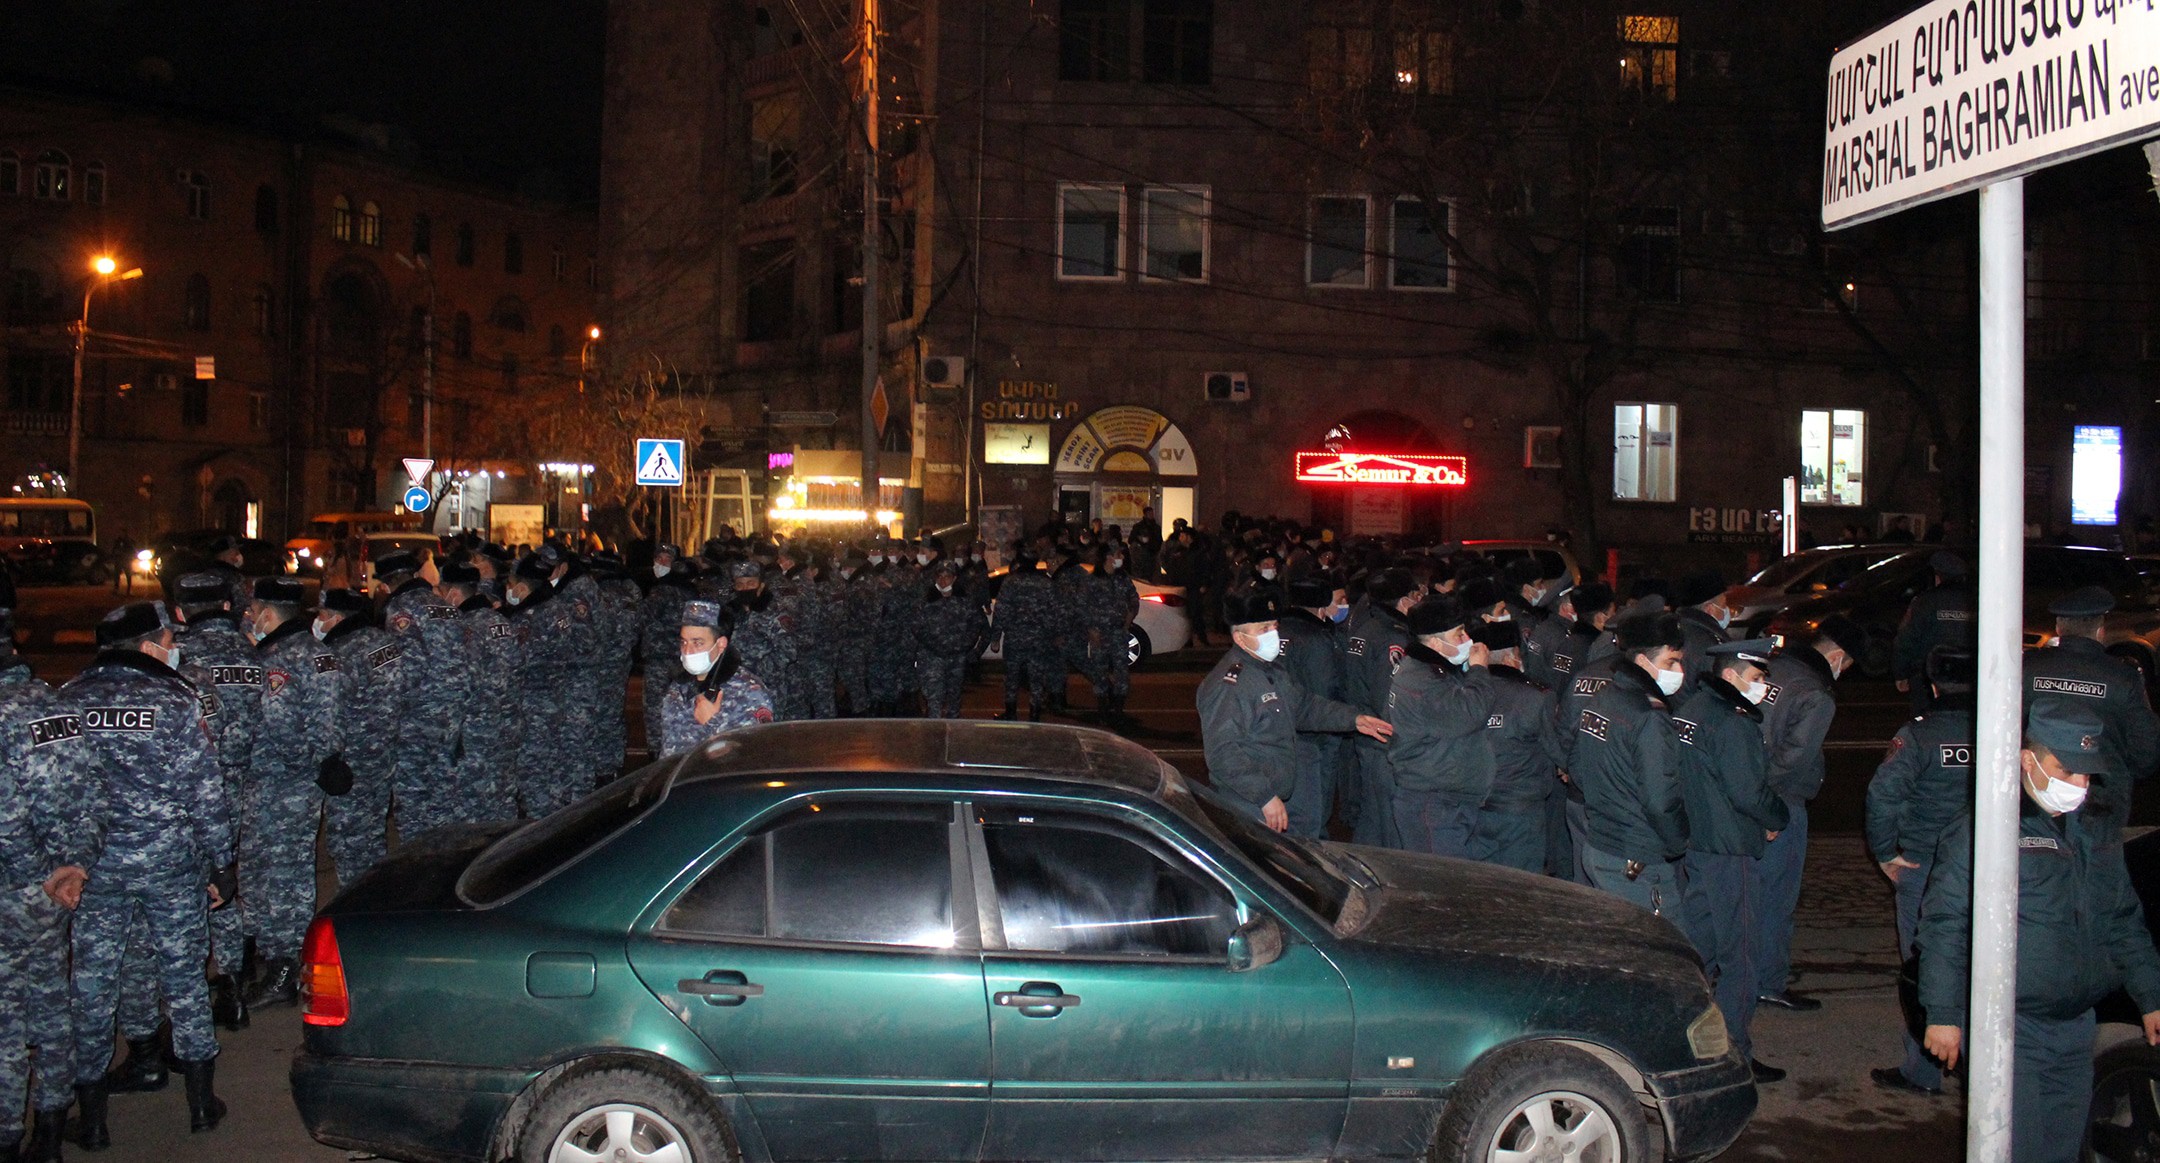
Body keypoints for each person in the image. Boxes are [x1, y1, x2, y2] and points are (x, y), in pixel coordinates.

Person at [1918, 700, 2160, 1163]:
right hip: (2011, 1028)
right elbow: (1946, 922)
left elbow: (2122, 917)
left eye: (2086, 773)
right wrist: (1943, 1013)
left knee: (2062, 1149)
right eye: (2066, 771)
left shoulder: (2095, 828)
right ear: (2028, 761)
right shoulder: (1987, 830)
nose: (2080, 785)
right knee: (2018, 1148)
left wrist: (2151, 994)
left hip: (2077, 1026)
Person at [63, 603, 236, 1144]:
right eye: (168, 639)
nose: (174, 647)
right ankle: (201, 1104)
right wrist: (222, 862)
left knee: (93, 985)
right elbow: (205, 791)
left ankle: (93, 1120)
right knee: (184, 977)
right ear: (145, 645)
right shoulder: (175, 699)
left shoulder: (68, 699)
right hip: (170, 863)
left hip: (95, 868)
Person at [0, 613, 97, 1163]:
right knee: (52, 1003)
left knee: (7, 1024)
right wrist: (73, 867)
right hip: (59, 887)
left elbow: (7, 818)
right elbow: (91, 794)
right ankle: (52, 1130)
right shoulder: (58, 704)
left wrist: (41, 873)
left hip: (17, 886)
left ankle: (8, 1134)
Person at [1673, 638, 1791, 1085]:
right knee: (1740, 954)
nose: (1762, 687)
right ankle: (1734, 1051)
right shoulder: (1732, 722)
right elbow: (1748, 792)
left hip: (1698, 843)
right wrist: (1777, 818)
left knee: (1697, 949)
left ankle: (1687, 1039)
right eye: (1757, 678)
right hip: (1730, 847)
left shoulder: (1691, 710)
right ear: (1731, 675)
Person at [1864, 646, 1975, 1097]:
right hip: (1991, 865)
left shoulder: (1919, 735)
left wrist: (1884, 852)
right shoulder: (2005, 730)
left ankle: (1923, 1070)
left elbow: (1883, 796)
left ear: (1932, 685)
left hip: (1927, 866)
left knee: (1926, 966)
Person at [1197, 591, 1393, 830]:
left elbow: (1304, 707)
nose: (1273, 634)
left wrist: (1353, 719)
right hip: (1247, 802)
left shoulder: (1271, 670)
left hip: (1276, 795)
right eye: (1263, 629)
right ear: (1240, 638)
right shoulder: (1229, 685)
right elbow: (1223, 752)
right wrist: (1264, 797)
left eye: (1274, 626)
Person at [1754, 614, 1866, 1013]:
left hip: (1739, 794)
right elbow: (1793, 759)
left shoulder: (1770, 668)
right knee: (1776, 899)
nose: (1843, 672)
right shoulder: (1815, 694)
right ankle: (1767, 982)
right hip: (1779, 804)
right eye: (1846, 664)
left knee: (1742, 894)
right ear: (1836, 656)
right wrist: (1764, 803)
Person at [241, 578, 341, 1012]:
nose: (250, 617)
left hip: (278, 784)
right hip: (306, 782)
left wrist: (300, 766)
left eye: (254, 609)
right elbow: (331, 720)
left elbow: (281, 727)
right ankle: (282, 962)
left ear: (267, 613)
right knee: (292, 871)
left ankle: (283, 968)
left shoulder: (277, 660)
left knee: (278, 877)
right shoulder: (321, 653)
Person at [172, 571, 265, 1028]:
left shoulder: (181, 658)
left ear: (179, 612)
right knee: (226, 880)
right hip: (247, 783)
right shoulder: (254, 650)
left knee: (191, 889)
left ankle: (192, 989)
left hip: (196, 790)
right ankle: (231, 981)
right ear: (228, 607)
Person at [1570, 612, 1689, 918]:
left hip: (1600, 845)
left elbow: (1579, 769)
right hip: (1637, 858)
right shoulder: (1649, 716)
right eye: (1670, 662)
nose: (1679, 671)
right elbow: (1660, 799)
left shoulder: (1603, 697)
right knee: (1664, 941)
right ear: (1643, 661)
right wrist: (1678, 842)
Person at [2022, 585, 2160, 843]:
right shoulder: (2124, 677)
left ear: (2059, 629)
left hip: (2039, 789)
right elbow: (2146, 750)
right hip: (2103, 794)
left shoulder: (2027, 667)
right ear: (2100, 631)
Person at [1386, 596, 1497, 859]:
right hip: (1434, 803)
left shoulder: (1431, 669)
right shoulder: (1423, 680)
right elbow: (1471, 713)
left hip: (1444, 797)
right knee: (1439, 878)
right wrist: (1479, 670)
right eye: (1459, 634)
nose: (1467, 639)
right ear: (1436, 643)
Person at [375, 549, 469, 838]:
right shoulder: (444, 606)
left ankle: (419, 856)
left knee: (415, 799)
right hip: (453, 713)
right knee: (446, 793)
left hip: (419, 718)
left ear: (386, 584)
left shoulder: (401, 610)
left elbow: (409, 668)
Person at [317, 588, 403, 880]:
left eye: (323, 615)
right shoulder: (384, 641)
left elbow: (331, 711)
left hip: (351, 763)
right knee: (374, 835)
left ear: (337, 617)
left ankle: (358, 900)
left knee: (349, 844)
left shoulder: (340, 652)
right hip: (384, 755)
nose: (319, 621)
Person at [1469, 619, 1567, 874]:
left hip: (1473, 804)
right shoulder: (1535, 697)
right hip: (1519, 811)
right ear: (1512, 656)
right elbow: (1556, 748)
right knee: (1521, 883)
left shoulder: (1467, 692)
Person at [1345, 568, 1421, 847]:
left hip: (1367, 733)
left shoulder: (1365, 628)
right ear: (1403, 600)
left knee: (1372, 817)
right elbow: (1388, 697)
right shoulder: (1394, 638)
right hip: (1385, 740)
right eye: (1414, 595)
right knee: (1390, 825)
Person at [443, 562, 521, 821]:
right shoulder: (501, 622)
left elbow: (462, 683)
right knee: (503, 796)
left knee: (473, 804)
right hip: (506, 722)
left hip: (475, 730)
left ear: (455, 594)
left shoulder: (464, 629)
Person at [1278, 576, 1352, 838]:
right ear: (1321, 608)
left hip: (1281, 728)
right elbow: (1325, 688)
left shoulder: (1277, 631)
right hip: (1316, 735)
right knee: (1315, 805)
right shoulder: (1316, 638)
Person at [658, 600, 775, 754]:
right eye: (684, 642)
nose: (688, 651)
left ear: (720, 644)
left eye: (698, 643)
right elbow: (668, 752)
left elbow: (754, 755)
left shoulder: (749, 692)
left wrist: (713, 724)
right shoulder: (679, 687)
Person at [1893, 551, 1974, 714]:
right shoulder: (1978, 600)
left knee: (1927, 721)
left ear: (1937, 576)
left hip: (1928, 678)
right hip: (1970, 676)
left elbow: (1906, 639)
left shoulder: (1924, 602)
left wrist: (1901, 673)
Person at [992, 550, 1060, 721]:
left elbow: (1001, 610)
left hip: (1015, 638)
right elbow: (1055, 612)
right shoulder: (1046, 583)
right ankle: (1035, 713)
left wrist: (996, 637)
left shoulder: (1011, 581)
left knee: (1012, 676)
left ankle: (1011, 712)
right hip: (1039, 639)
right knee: (1036, 678)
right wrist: (1054, 634)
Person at [915, 559, 986, 719]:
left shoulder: (965, 601)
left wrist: (965, 645)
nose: (943, 580)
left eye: (947, 576)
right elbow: (916, 626)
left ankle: (952, 729)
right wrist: (934, 645)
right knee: (934, 698)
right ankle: (934, 729)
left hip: (956, 658)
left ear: (954, 578)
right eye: (939, 576)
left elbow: (977, 624)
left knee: (954, 698)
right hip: (932, 657)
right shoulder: (926, 600)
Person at [1671, 571, 1732, 701]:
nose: (1727, 610)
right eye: (1723, 605)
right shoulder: (1711, 645)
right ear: (1709, 609)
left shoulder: (1675, 627)